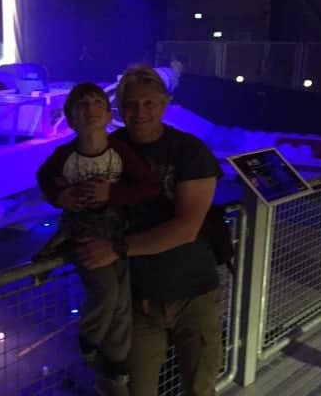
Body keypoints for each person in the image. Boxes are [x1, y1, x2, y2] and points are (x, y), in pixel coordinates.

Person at [77, 65, 223, 396]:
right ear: (119, 108)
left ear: (164, 103)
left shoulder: (189, 151)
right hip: (137, 301)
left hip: (194, 295)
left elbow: (186, 229)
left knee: (200, 389)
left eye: (148, 103)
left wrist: (115, 248)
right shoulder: (106, 150)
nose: (139, 112)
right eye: (130, 104)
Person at [35, 82, 161, 396]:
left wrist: (113, 194)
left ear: (107, 114)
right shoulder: (65, 155)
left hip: (117, 232)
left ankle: (115, 362)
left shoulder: (120, 151)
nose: (90, 110)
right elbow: (44, 178)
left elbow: (149, 186)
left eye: (97, 103)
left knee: (121, 301)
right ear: (70, 118)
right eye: (82, 105)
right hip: (84, 232)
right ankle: (88, 339)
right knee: (106, 291)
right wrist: (60, 197)